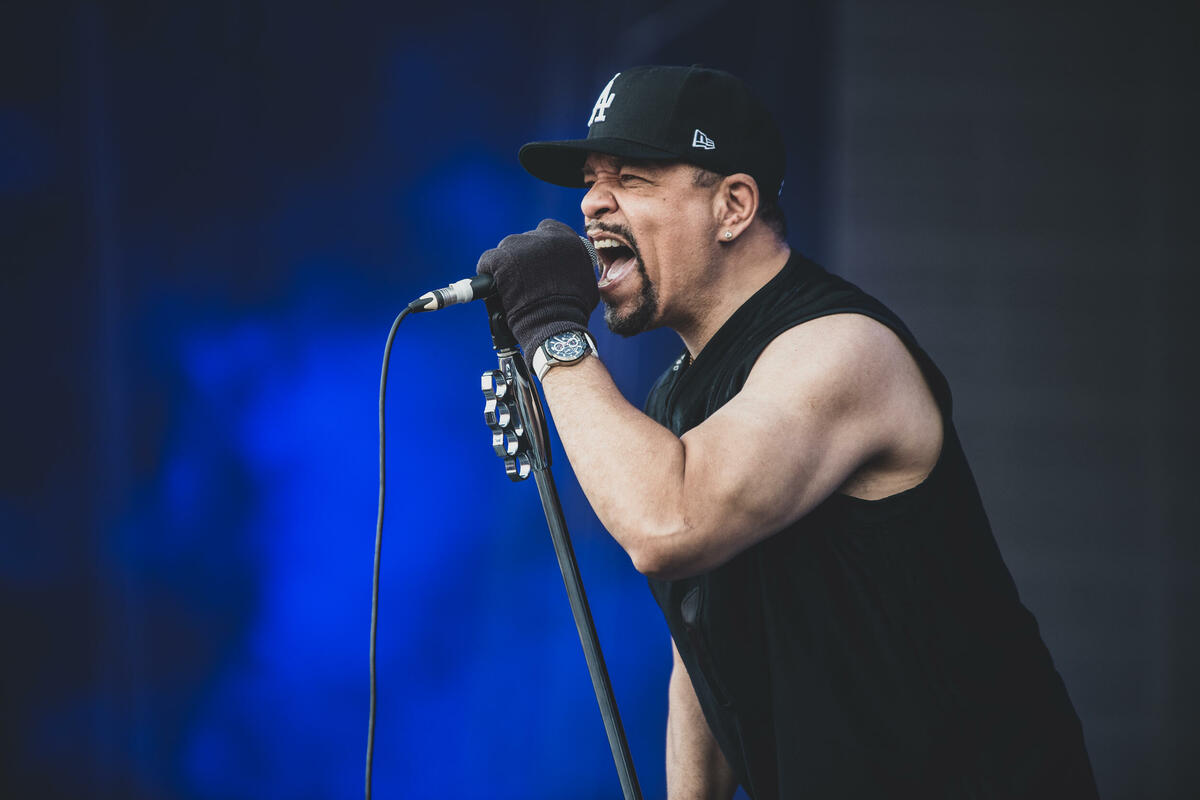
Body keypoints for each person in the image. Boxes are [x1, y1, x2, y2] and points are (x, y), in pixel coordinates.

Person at [477, 65, 1098, 799]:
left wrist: (550, 329)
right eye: (590, 181)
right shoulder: (678, 396)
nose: (591, 202)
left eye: (632, 177)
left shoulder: (842, 350)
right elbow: (700, 647)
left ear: (734, 206)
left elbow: (669, 522)